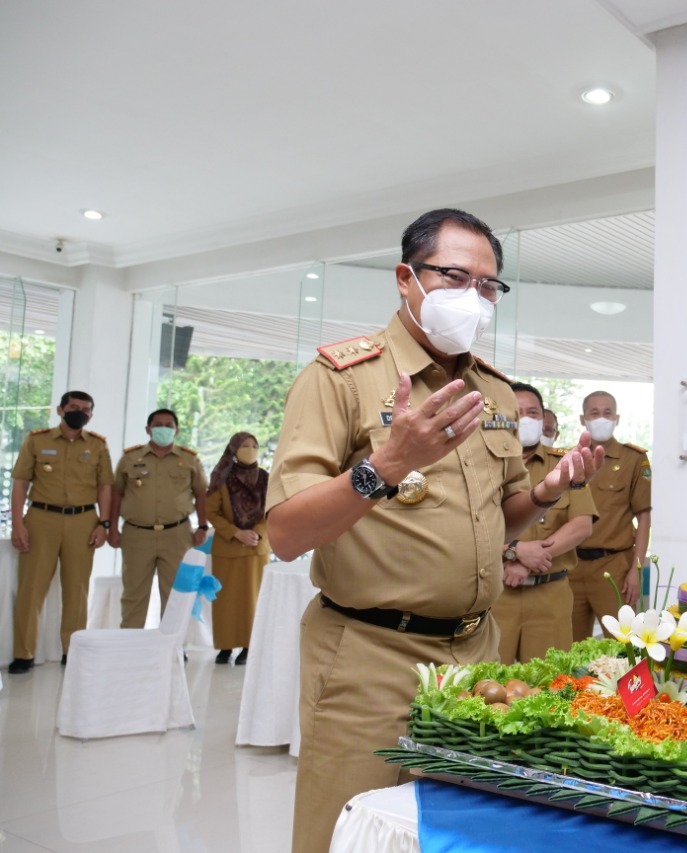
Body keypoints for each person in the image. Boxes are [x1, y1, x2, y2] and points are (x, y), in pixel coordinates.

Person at [264, 208, 604, 853]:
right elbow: (285, 532)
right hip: (370, 651)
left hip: (476, 650)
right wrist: (387, 464)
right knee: (343, 830)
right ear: (405, 278)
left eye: (487, 285)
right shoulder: (340, 378)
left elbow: (494, 519)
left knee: (451, 831)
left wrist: (543, 494)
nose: (473, 297)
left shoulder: (494, 392)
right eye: (454, 277)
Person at [7, 391, 112, 674]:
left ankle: (72, 651)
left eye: (86, 409)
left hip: (83, 520)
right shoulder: (37, 440)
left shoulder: (98, 446)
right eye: (74, 407)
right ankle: (24, 653)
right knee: (31, 589)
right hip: (41, 518)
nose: (80, 412)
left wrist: (104, 524)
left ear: (91, 414)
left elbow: (105, 487)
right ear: (60, 409)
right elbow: (20, 484)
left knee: (77, 590)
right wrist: (18, 524)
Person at [492, 383, 597, 663]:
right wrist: (512, 551)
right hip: (496, 594)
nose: (526, 418)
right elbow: (468, 527)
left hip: (550, 594)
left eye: (533, 412)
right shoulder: (485, 464)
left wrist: (535, 556)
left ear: (542, 417)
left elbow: (581, 525)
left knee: (550, 686)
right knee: (487, 687)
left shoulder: (564, 464)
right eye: (517, 411)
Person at [108, 408, 209, 629]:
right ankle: (130, 642)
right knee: (134, 593)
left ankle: (172, 646)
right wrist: (112, 527)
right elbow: (116, 493)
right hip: (137, 534)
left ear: (176, 430)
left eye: (168, 425)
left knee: (175, 593)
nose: (163, 428)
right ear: (148, 429)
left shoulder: (189, 459)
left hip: (177, 535)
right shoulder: (130, 458)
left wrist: (202, 526)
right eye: (158, 424)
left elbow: (201, 493)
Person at [570, 390, 651, 640]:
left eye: (607, 413)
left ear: (616, 417)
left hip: (613, 567)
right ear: (583, 419)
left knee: (622, 645)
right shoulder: (568, 459)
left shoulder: (633, 459)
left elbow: (644, 517)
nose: (601, 418)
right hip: (570, 566)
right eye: (594, 413)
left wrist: (635, 571)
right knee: (568, 648)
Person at [206, 432, 270, 665]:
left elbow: (272, 510)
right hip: (228, 547)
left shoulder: (265, 478)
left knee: (252, 600)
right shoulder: (220, 478)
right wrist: (236, 532)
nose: (250, 449)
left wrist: (257, 532)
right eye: (244, 445)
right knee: (225, 601)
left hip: (256, 548)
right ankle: (225, 647)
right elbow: (211, 511)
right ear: (233, 449)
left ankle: (248, 646)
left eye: (254, 445)